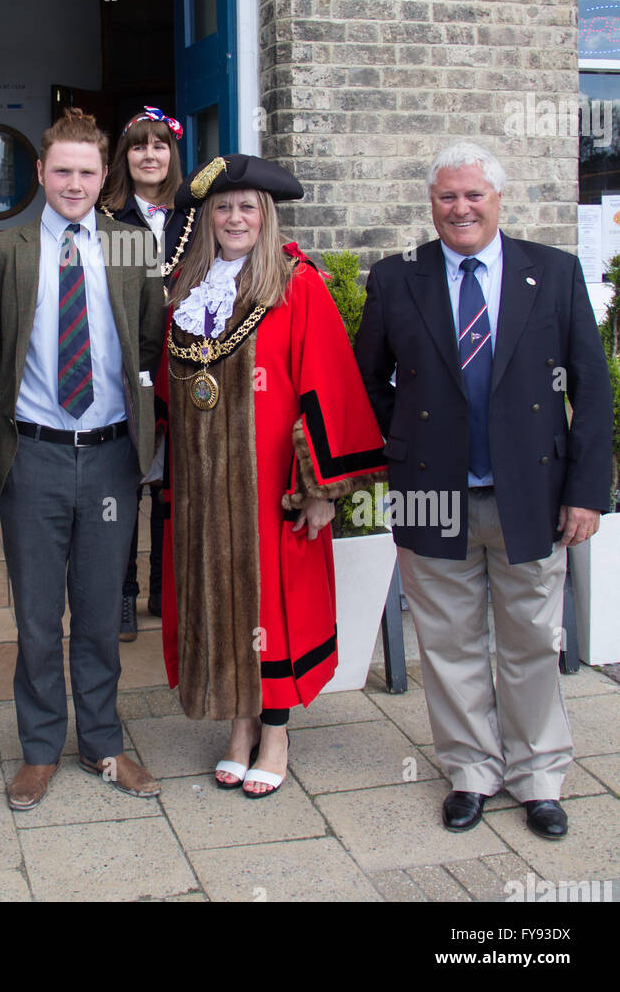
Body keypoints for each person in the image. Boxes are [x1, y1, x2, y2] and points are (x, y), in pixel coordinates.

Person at [355, 141, 612, 840]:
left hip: (529, 492)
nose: (459, 208)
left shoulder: (552, 273)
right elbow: (365, 382)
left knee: (532, 637)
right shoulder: (394, 277)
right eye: (446, 197)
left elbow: (589, 388)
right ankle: (470, 770)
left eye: (473, 196)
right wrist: (400, 450)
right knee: (446, 640)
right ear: (431, 204)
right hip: (427, 493)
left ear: (497, 200)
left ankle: (537, 776)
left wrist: (586, 492)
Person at [0, 108, 166, 811]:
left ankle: (103, 741)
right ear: (40, 173)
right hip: (34, 458)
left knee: (103, 612)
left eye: (85, 171)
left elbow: (146, 344)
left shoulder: (133, 248)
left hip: (110, 455)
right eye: (60, 170)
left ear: (104, 176)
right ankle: (40, 749)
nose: (73, 183)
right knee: (39, 618)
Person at [162, 154, 386, 796]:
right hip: (205, 485)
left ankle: (276, 732)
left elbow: (328, 385)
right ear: (207, 219)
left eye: (247, 207)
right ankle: (239, 725)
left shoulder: (295, 283)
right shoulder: (185, 287)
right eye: (223, 208)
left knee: (270, 604)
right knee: (222, 595)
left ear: (266, 216)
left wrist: (319, 491)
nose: (235, 217)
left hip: (271, 485)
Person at [99, 106, 194, 638]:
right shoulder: (107, 218)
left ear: (172, 154)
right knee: (125, 480)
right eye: (139, 146)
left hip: (181, 364)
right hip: (123, 363)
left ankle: (163, 587)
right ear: (125, 156)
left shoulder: (194, 214)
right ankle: (122, 593)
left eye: (159, 145)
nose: (150, 155)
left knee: (170, 482)